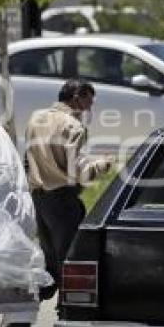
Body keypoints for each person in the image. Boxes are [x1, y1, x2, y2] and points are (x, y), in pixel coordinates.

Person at [25, 79, 112, 301]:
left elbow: (28, 160)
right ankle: (67, 311)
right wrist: (102, 166)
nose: (89, 109)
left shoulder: (36, 119)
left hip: (38, 199)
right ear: (77, 97)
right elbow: (77, 173)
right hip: (63, 202)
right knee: (70, 261)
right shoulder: (73, 126)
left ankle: (25, 312)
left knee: (49, 261)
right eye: (88, 102)